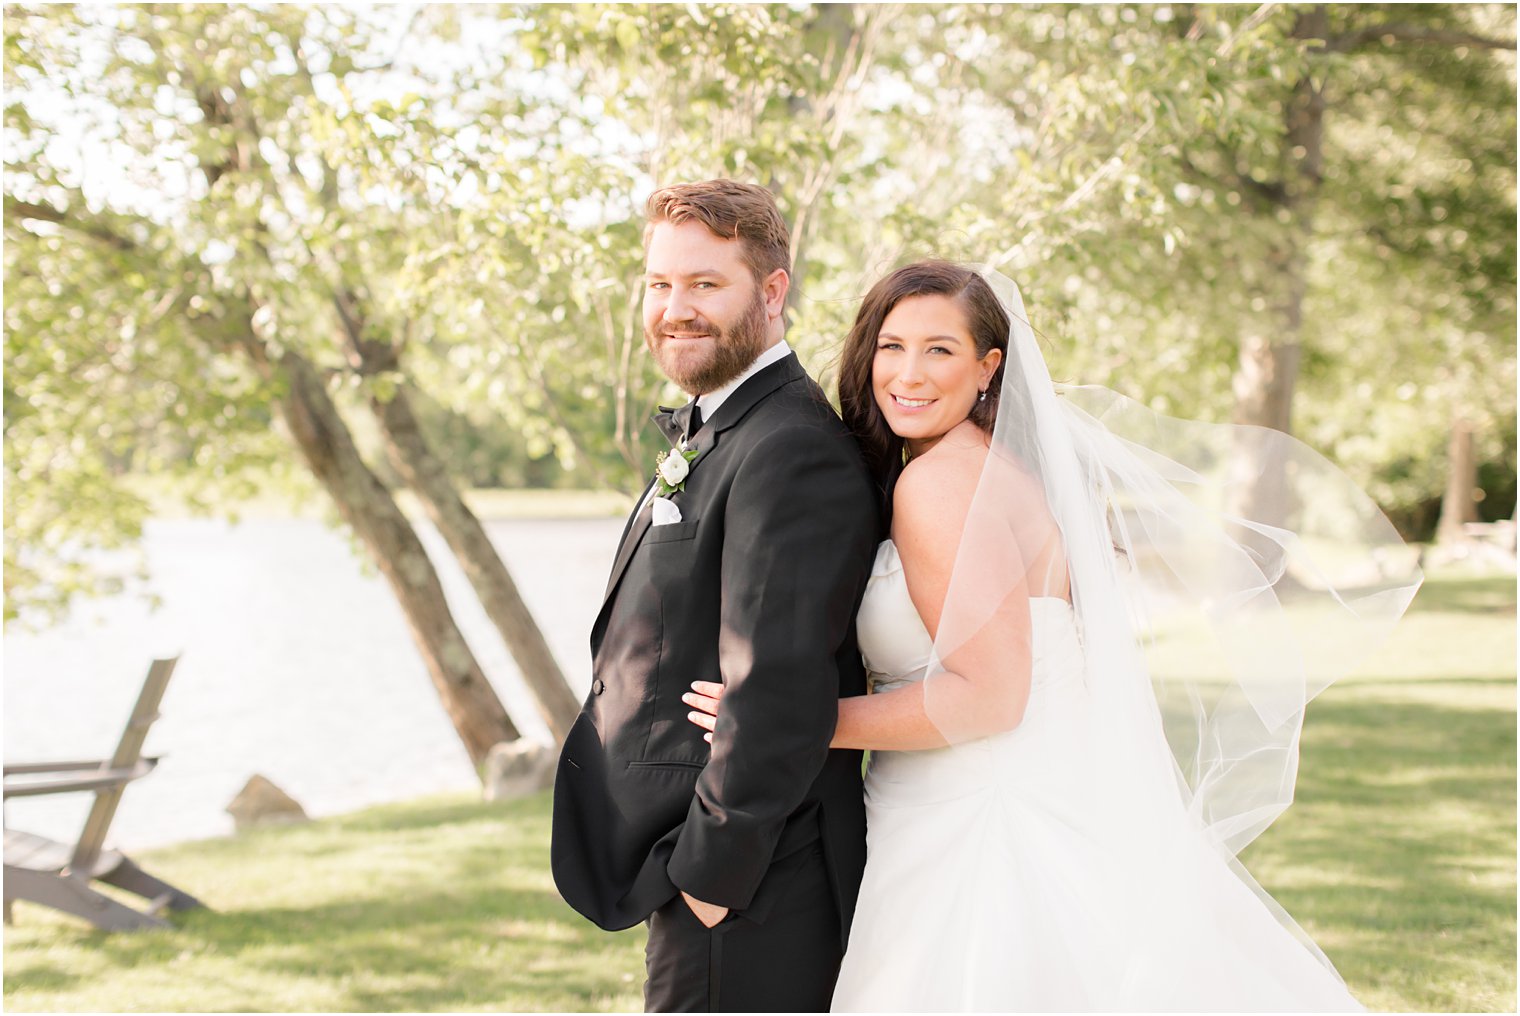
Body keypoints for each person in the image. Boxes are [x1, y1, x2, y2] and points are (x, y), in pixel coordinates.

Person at [684, 260, 1423, 1010]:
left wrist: (784, 725)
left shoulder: (936, 485)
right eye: (891, 346)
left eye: (940, 349)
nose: (908, 373)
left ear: (987, 367)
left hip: (982, 819)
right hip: (1046, 784)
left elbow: (989, 700)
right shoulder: (997, 468)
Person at [550, 180, 878, 1013]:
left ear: (772, 293)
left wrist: (708, 880)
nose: (674, 309)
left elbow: (777, 684)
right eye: (660, 285)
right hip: (703, 868)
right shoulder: (727, 429)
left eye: (704, 284)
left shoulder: (790, 448)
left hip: (753, 883)